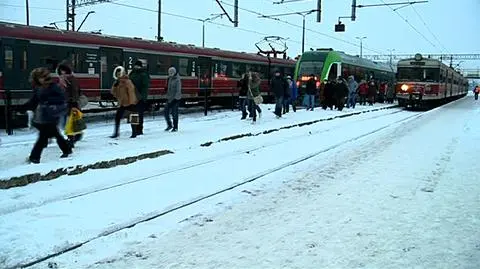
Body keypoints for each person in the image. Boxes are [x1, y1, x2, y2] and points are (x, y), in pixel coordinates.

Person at [23, 68, 72, 164]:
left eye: (41, 77)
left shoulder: (54, 87)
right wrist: (23, 108)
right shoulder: (39, 88)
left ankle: (34, 157)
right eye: (38, 78)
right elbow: (34, 100)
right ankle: (67, 149)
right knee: (56, 134)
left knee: (42, 137)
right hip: (42, 115)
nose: (40, 79)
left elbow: (61, 100)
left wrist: (49, 104)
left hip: (51, 115)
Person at [57, 60, 82, 147]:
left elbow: (75, 92)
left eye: (63, 71)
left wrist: (73, 101)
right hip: (64, 104)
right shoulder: (62, 80)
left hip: (71, 104)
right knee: (65, 124)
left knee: (69, 123)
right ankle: (75, 136)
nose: (62, 73)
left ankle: (71, 140)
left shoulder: (71, 79)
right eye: (61, 71)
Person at [110, 66, 138, 138]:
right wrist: (115, 86)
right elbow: (113, 93)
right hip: (122, 103)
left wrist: (132, 102)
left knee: (133, 117)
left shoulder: (127, 82)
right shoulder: (117, 82)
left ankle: (134, 133)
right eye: (117, 74)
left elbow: (131, 92)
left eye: (119, 74)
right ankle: (116, 133)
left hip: (130, 102)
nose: (118, 75)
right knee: (117, 117)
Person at [129, 60, 150, 135]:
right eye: (135, 66)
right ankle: (134, 130)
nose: (136, 67)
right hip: (132, 96)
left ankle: (139, 129)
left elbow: (145, 87)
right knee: (134, 113)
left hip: (140, 97)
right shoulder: (132, 73)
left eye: (137, 66)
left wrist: (142, 97)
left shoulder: (144, 74)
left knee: (139, 114)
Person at [164, 66, 181, 132]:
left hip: (175, 99)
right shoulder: (169, 78)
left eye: (171, 73)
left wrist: (175, 99)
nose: (170, 74)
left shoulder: (177, 79)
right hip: (169, 98)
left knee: (174, 113)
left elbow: (178, 90)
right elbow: (168, 87)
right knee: (165, 112)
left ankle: (175, 127)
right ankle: (169, 125)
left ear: (174, 72)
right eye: (169, 73)